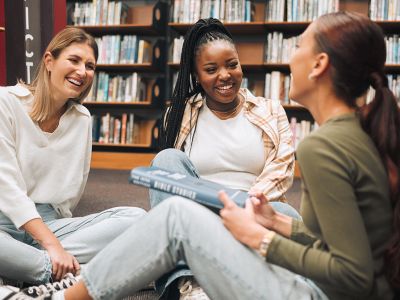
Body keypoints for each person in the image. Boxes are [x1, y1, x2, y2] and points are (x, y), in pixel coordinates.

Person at [3, 10, 400, 300]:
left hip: (309, 288)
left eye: (297, 47)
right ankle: (170, 277)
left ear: (319, 65)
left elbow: (352, 274)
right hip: (277, 252)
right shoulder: (351, 134)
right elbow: (341, 250)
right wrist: (272, 228)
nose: (289, 57)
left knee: (168, 220)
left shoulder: (322, 145)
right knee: (170, 189)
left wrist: (260, 236)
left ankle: (58, 295)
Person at [149, 18, 297, 298]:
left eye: (232, 64)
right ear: (196, 74)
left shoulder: (271, 110)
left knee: (290, 217)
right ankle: (189, 282)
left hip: (253, 211)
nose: (225, 75)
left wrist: (242, 211)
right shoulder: (180, 113)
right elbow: (172, 181)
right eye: (211, 69)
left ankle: (225, 269)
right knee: (166, 161)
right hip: (199, 214)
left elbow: (283, 169)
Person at [0, 27, 145, 287]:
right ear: (49, 61)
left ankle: (30, 269)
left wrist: (54, 238)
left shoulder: (82, 120)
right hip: (3, 221)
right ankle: (64, 273)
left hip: (50, 222)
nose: (83, 72)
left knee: (136, 219)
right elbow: (5, 186)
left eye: (90, 65)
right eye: (74, 60)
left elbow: (71, 193)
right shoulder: (5, 102)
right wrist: (53, 246)